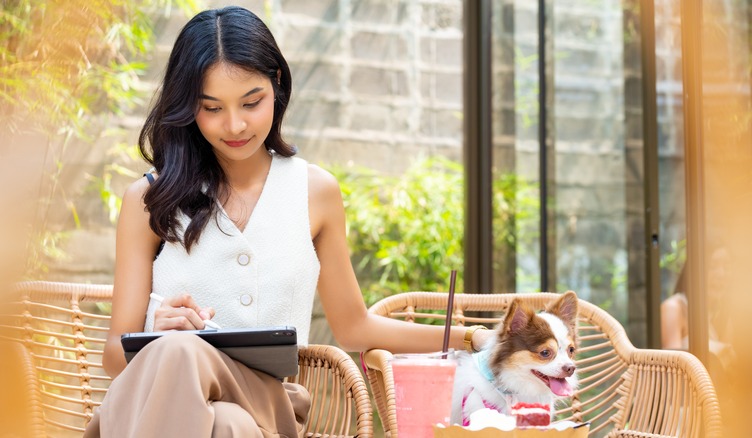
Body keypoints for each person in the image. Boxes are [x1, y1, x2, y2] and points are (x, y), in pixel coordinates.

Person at [86, 6, 492, 437]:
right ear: (188, 107)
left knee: (185, 354)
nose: (235, 124)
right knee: (222, 419)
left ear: (277, 85)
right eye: (212, 108)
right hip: (175, 406)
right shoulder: (149, 200)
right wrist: (154, 332)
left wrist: (470, 337)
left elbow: (354, 326)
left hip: (271, 403)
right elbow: (115, 356)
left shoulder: (314, 192)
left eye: (251, 102)